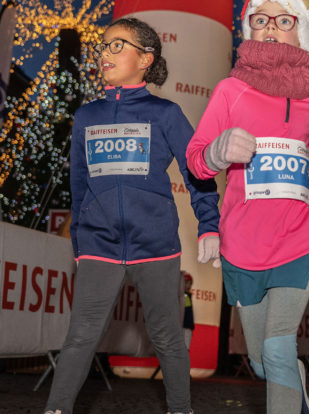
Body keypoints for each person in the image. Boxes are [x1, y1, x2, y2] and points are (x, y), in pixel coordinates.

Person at [186, 1, 309, 412]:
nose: (270, 28)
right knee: (263, 361)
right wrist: (217, 151)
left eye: (283, 20)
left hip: (301, 239)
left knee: (278, 347)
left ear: (301, 31)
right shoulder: (230, 91)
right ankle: (293, 389)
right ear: (250, 27)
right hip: (243, 245)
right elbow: (195, 159)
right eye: (260, 19)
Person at [44, 17, 220, 414]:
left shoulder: (165, 113)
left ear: (145, 59)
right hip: (98, 244)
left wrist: (209, 225)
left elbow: (198, 173)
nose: (104, 54)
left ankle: (181, 409)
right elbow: (78, 185)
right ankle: (55, 409)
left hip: (156, 243)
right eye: (103, 46)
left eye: (117, 45)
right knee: (80, 336)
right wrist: (80, 243)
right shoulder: (85, 117)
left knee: (168, 337)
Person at [182, 271, 195, 349]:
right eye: (186, 283)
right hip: (181, 326)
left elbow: (188, 312)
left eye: (190, 283)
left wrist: (190, 325)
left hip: (187, 327)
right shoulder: (182, 296)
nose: (189, 286)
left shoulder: (187, 296)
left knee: (186, 348)